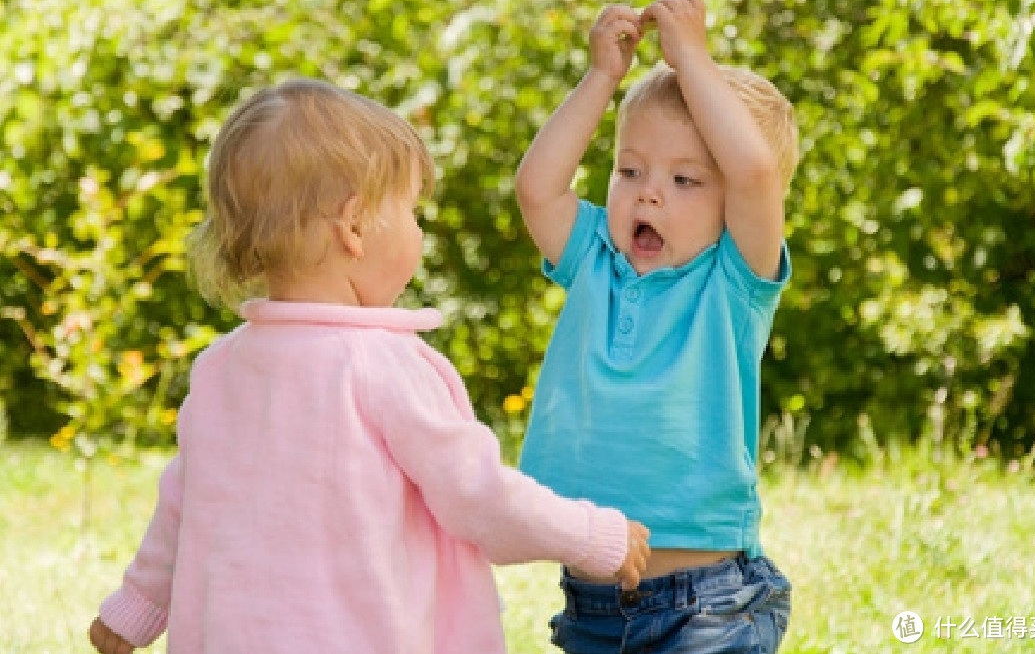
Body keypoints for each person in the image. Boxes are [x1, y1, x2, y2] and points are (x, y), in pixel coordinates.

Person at [87, 77, 651, 654]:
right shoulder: (381, 366)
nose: (417, 229)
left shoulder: (219, 369)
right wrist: (593, 535)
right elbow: (477, 496)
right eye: (409, 210)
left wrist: (133, 611)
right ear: (354, 226)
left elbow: (181, 510)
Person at [515, 0, 799, 653]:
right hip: (591, 603)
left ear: (733, 209)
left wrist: (691, 59)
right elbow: (537, 189)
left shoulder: (732, 284)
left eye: (686, 180)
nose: (648, 192)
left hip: (707, 605)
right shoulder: (592, 259)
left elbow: (755, 174)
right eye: (631, 170)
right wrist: (600, 80)